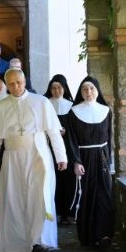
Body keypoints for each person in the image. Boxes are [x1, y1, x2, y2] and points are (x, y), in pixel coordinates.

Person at [0, 69, 67, 252]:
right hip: (12, 158)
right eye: (11, 84)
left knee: (39, 197)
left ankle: (40, 241)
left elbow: (53, 131)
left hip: (38, 155)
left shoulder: (41, 102)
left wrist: (61, 157)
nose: (16, 87)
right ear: (6, 84)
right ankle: (18, 243)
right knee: (14, 199)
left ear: (24, 81)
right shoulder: (0, 107)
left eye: (19, 82)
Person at [67, 76, 115, 248]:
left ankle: (104, 235)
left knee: (104, 195)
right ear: (81, 92)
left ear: (97, 90)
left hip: (101, 158)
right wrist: (76, 161)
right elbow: (71, 140)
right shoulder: (74, 113)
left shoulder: (106, 110)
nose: (88, 92)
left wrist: (109, 161)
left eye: (91, 89)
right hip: (84, 158)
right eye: (85, 89)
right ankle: (87, 236)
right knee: (86, 196)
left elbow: (109, 138)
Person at [47, 74, 76, 224]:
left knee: (68, 179)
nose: (56, 90)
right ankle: (55, 212)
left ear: (64, 89)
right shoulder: (46, 104)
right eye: (53, 87)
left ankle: (68, 213)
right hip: (50, 148)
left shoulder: (71, 106)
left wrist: (66, 132)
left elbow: (76, 129)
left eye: (59, 87)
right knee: (54, 179)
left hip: (68, 148)